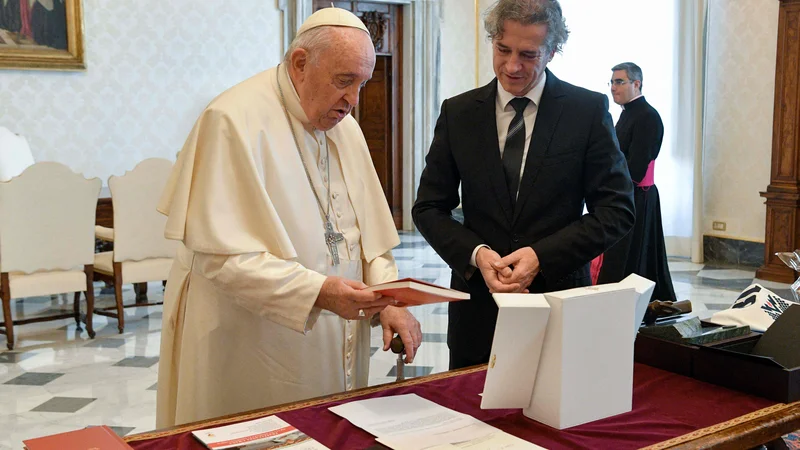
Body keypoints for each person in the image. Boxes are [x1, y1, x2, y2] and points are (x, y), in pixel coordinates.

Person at [155, 7, 422, 428]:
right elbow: (222, 259)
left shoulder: (343, 125)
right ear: (300, 63)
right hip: (252, 341)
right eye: (343, 81)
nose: (354, 101)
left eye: (362, 83)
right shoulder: (231, 120)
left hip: (337, 335)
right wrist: (318, 292)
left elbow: (368, 239)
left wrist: (386, 299)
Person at [412, 0, 635, 370]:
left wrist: (541, 257)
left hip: (557, 305)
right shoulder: (458, 113)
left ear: (552, 51)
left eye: (528, 54)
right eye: (503, 50)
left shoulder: (586, 111)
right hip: (477, 314)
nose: (512, 66)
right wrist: (476, 254)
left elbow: (616, 210)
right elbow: (429, 207)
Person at [597, 62, 677, 301]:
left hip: (637, 197)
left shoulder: (647, 117)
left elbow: (636, 167)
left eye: (619, 82)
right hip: (625, 194)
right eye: (611, 82)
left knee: (633, 257)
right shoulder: (627, 114)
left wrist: (607, 181)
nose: (613, 87)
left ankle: (631, 301)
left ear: (636, 83)